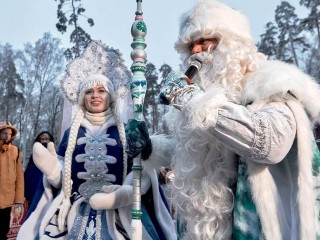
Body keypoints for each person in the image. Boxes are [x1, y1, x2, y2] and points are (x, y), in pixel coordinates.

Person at [159, 0, 320, 239]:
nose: (195, 50)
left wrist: (196, 102)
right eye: (190, 45)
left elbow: (270, 143)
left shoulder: (270, 83)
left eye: (204, 40)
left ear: (230, 43)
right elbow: (196, 156)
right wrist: (152, 148)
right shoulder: (203, 98)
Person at [17, 41, 176, 239]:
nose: (95, 96)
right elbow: (64, 176)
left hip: (119, 213)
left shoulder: (126, 132)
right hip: (77, 210)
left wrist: (125, 193)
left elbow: (142, 170)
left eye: (101, 91)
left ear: (110, 97)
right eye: (89, 92)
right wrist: (53, 169)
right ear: (83, 98)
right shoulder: (72, 133)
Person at [0, 121, 24, 240]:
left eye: (9, 134)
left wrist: (19, 200)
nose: (7, 136)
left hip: (7, 200)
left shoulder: (15, 151)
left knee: (3, 230)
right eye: (4, 133)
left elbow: (19, 177)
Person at [24, 132, 54, 212]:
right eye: (42, 139)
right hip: (33, 191)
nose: (44, 141)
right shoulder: (34, 157)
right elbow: (28, 176)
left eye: (46, 139)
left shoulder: (54, 156)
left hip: (47, 192)